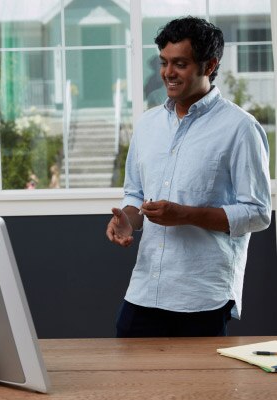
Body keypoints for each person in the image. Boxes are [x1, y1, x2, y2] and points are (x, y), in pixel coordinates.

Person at [106, 16, 271, 338]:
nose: (168, 73)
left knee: (201, 390)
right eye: (164, 62)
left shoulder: (240, 128)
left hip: (202, 296)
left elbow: (258, 213)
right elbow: (135, 195)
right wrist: (128, 219)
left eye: (180, 63)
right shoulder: (148, 125)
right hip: (144, 287)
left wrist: (185, 215)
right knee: (129, 386)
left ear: (209, 66)